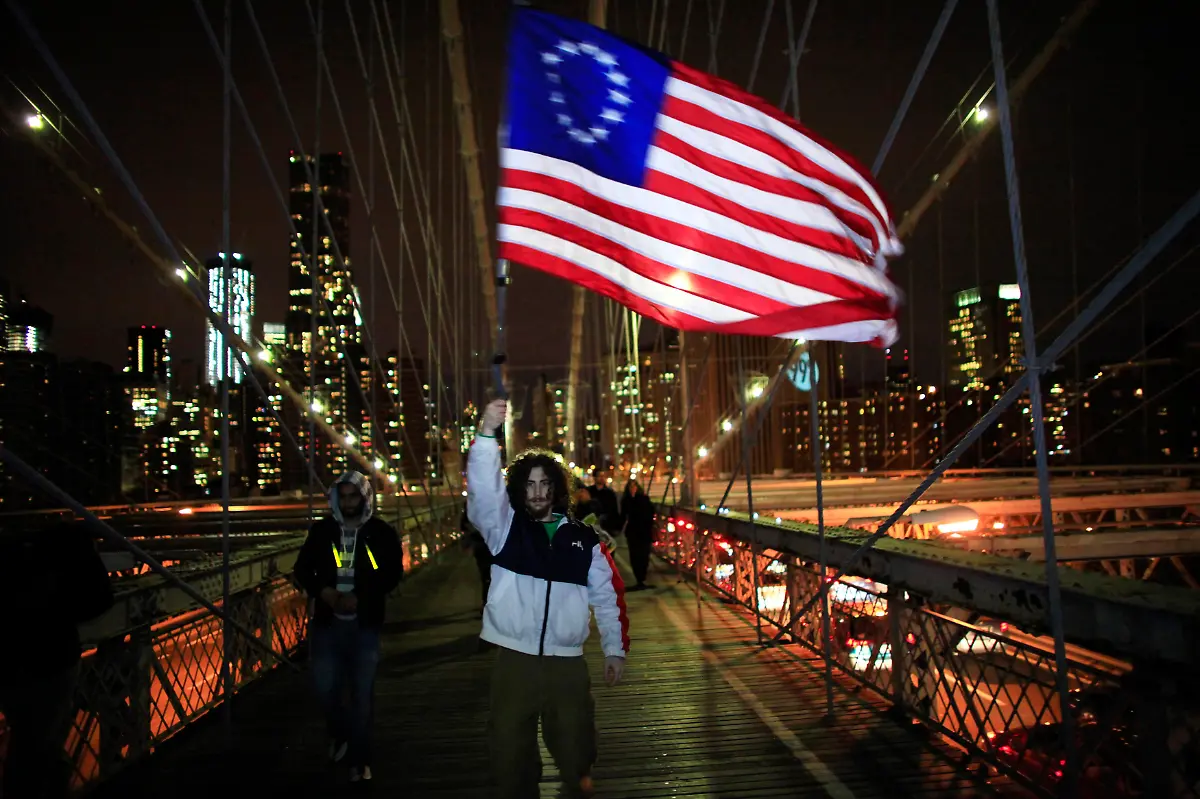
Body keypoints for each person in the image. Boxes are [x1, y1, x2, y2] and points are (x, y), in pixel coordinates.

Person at [468, 399, 629, 799]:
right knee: (509, 753)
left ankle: (578, 783)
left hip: (567, 663)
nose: (538, 492)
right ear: (520, 490)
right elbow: (484, 492)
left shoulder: (584, 540)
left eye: (545, 484)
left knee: (577, 750)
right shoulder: (504, 530)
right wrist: (487, 434)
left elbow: (607, 597)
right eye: (530, 484)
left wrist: (614, 650)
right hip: (514, 660)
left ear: (557, 490)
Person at [293, 471, 404, 784]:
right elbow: (302, 569)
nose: (348, 502)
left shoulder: (380, 533)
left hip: (364, 624)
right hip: (327, 624)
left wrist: (361, 597)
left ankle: (360, 759)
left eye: (354, 496)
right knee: (325, 687)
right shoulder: (322, 531)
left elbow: (392, 573)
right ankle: (340, 734)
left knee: (361, 695)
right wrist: (325, 593)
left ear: (365, 497)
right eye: (343, 496)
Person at [0, 521, 113, 799]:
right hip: (52, 659)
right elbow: (99, 601)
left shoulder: (15, 551)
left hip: (13, 661)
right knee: (39, 740)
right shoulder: (69, 548)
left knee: (32, 739)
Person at [619, 479, 656, 591]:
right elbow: (623, 515)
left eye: (634, 486)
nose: (632, 489)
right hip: (633, 532)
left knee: (644, 555)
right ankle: (639, 579)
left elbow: (651, 513)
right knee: (634, 556)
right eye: (630, 487)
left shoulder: (644, 499)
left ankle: (642, 579)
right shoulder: (626, 500)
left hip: (644, 531)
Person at [460, 508, 493, 615]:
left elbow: (464, 524)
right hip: (491, 543)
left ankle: (487, 603)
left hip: (481, 544)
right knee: (490, 575)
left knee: (486, 576)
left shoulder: (472, 503)